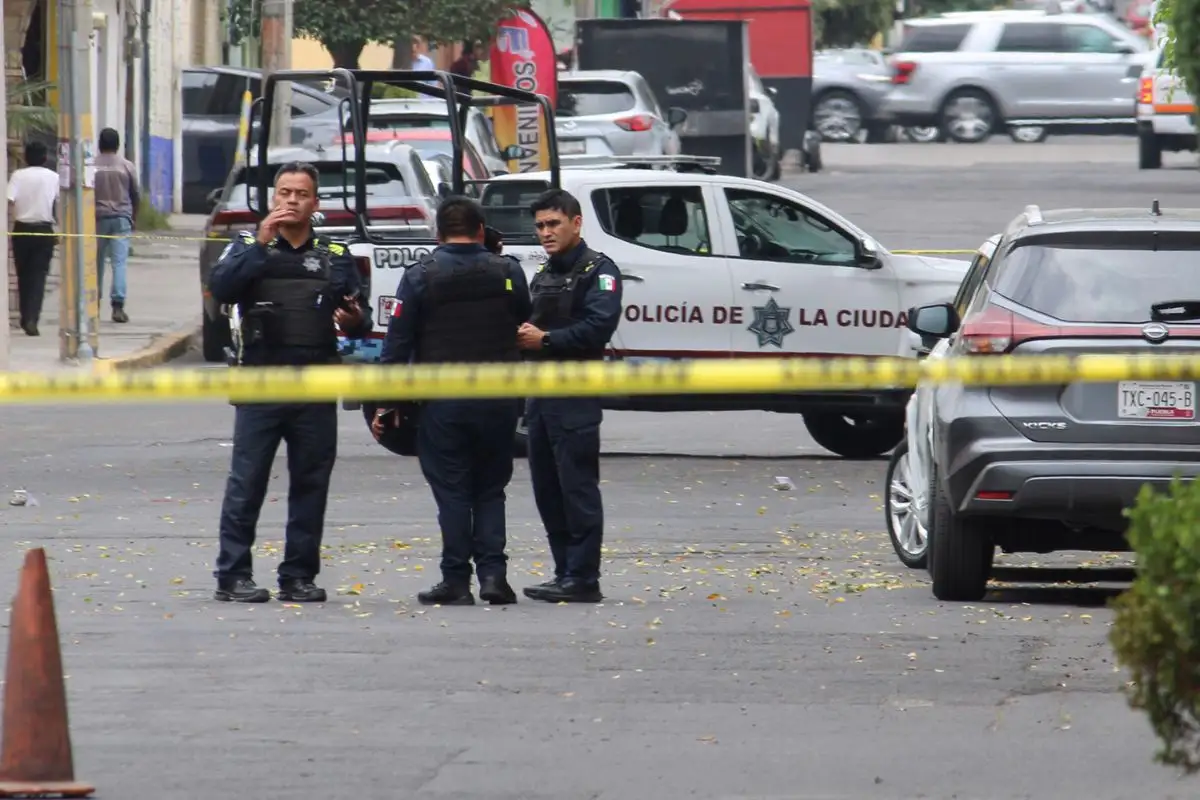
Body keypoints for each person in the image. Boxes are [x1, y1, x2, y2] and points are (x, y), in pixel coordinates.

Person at [208, 161, 373, 604]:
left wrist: (356, 319)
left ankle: (298, 575)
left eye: (301, 194)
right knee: (247, 482)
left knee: (310, 484)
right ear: (273, 199)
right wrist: (260, 240)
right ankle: (233, 574)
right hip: (261, 383)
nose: (291, 201)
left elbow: (360, 319)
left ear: (314, 204)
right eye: (284, 193)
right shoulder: (247, 246)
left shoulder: (335, 257)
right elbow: (220, 290)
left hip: (314, 387)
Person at [374, 196, 532, 606]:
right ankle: (495, 578)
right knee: (491, 489)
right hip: (498, 401)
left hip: (444, 403)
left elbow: (397, 344)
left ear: (437, 234)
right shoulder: (509, 271)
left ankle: (456, 581)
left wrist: (385, 404)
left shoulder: (420, 276)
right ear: (481, 231)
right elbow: (523, 318)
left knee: (454, 492)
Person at [517, 189, 622, 603]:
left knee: (577, 488)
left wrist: (545, 341)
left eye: (553, 224)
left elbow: (598, 327)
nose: (545, 232)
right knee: (548, 488)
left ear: (576, 223)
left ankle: (583, 577)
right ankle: (563, 571)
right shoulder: (544, 273)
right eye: (540, 225)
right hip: (539, 395)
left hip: (575, 395)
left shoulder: (599, 270)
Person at [6, 140, 60, 336]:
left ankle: (24, 315)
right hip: (44, 230)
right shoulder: (53, 177)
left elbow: (10, 202)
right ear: (45, 158)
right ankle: (32, 318)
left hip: (22, 229)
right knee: (39, 276)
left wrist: (12, 225)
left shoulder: (18, 176)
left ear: (26, 157)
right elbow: (59, 205)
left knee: (22, 275)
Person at [94, 127, 141, 323]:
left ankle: (93, 303)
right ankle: (118, 306)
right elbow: (135, 194)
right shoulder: (126, 166)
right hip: (122, 217)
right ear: (117, 144)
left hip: (97, 218)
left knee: (95, 263)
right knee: (119, 262)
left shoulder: (91, 165)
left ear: (100, 144)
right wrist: (134, 217)